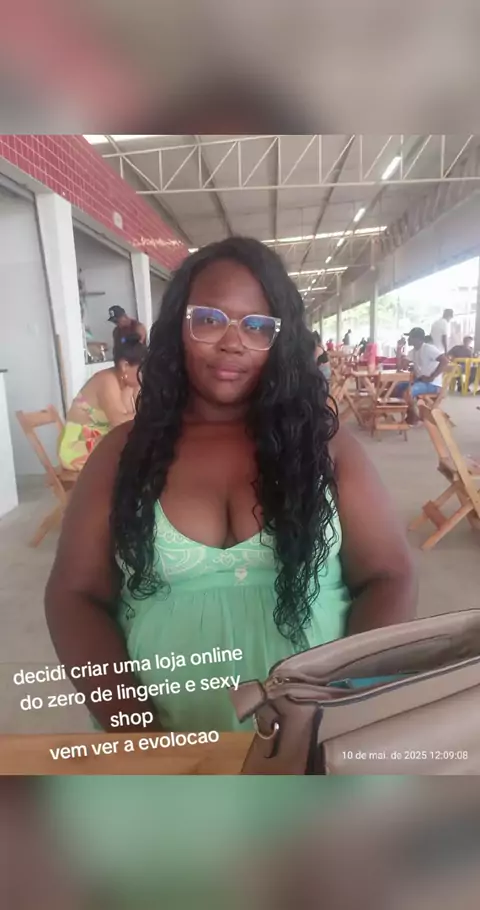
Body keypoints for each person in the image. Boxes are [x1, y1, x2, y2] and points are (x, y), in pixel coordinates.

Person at [46, 237, 416, 734]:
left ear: (280, 339)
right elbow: (74, 594)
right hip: (163, 746)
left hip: (317, 739)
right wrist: (136, 730)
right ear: (178, 328)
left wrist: (347, 705)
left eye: (257, 325)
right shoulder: (123, 453)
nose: (232, 342)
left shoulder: (324, 447)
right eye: (209, 319)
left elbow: (389, 575)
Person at [58, 337, 146, 471]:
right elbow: (119, 423)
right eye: (142, 370)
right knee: (130, 457)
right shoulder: (106, 381)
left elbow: (135, 417)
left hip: (102, 440)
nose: (145, 375)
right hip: (78, 446)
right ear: (125, 366)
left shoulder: (130, 385)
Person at [394, 327, 449, 425]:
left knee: (408, 392)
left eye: (410, 337)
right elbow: (400, 367)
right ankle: (412, 414)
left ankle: (413, 417)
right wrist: (399, 349)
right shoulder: (413, 352)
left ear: (418, 339)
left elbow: (445, 361)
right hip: (420, 381)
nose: (408, 339)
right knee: (397, 388)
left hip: (433, 384)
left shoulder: (428, 348)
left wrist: (432, 376)